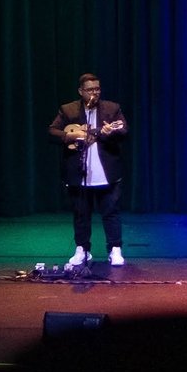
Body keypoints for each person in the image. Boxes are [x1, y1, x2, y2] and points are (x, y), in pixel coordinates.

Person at [49, 72, 128, 267]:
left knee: (110, 211)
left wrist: (110, 133)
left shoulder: (112, 108)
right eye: (90, 90)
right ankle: (82, 250)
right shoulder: (68, 110)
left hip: (106, 171)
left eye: (97, 89)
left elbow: (124, 130)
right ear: (81, 91)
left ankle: (115, 249)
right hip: (79, 172)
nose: (94, 93)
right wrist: (72, 136)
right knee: (81, 212)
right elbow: (52, 131)